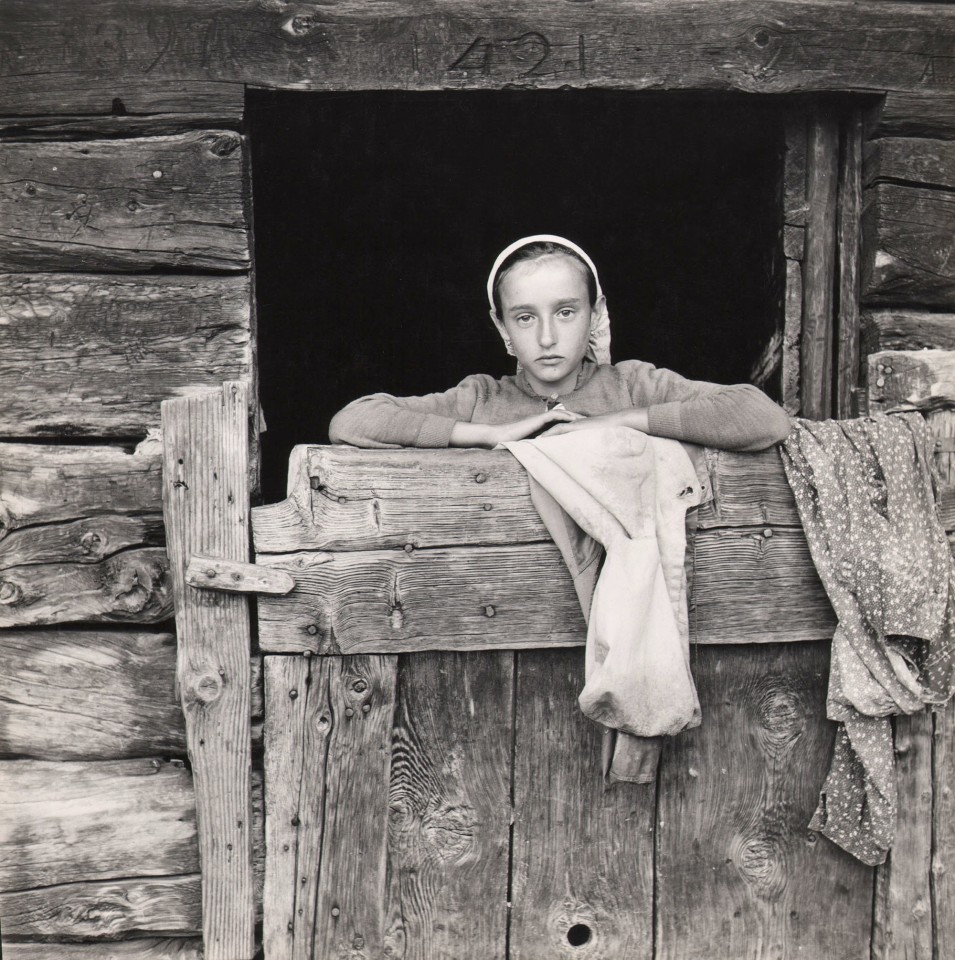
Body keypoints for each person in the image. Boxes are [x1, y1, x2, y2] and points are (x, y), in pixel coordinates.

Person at [328, 235, 791, 452]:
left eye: (566, 312)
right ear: (502, 327)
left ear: (597, 315)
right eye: (525, 317)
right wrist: (492, 433)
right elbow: (353, 421)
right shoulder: (480, 399)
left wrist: (616, 422)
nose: (547, 337)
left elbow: (762, 418)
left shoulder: (633, 384)